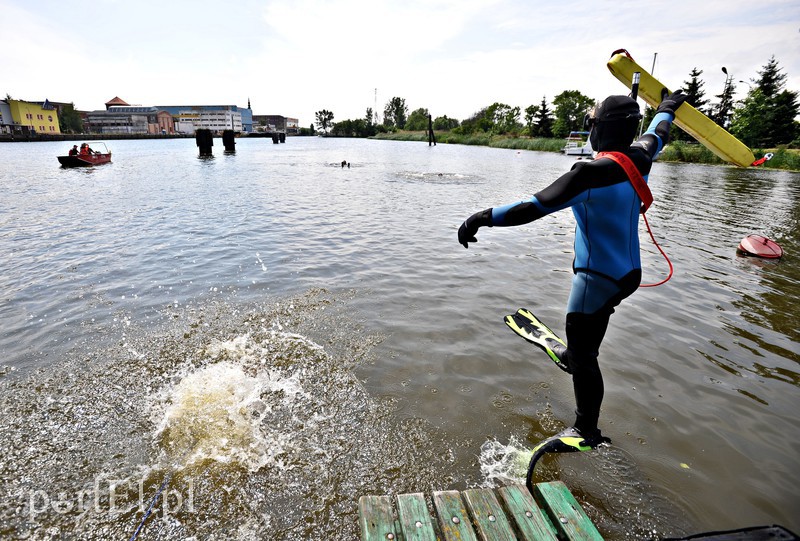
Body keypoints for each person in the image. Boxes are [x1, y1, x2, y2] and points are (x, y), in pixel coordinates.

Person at [457, 91, 688, 449]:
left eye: (591, 122)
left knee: (584, 358)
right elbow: (660, 132)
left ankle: (586, 430)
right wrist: (668, 108)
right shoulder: (640, 157)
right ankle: (574, 355)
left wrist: (479, 218)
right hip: (628, 274)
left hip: (597, 279)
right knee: (585, 343)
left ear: (597, 128)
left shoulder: (588, 174)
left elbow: (531, 208)